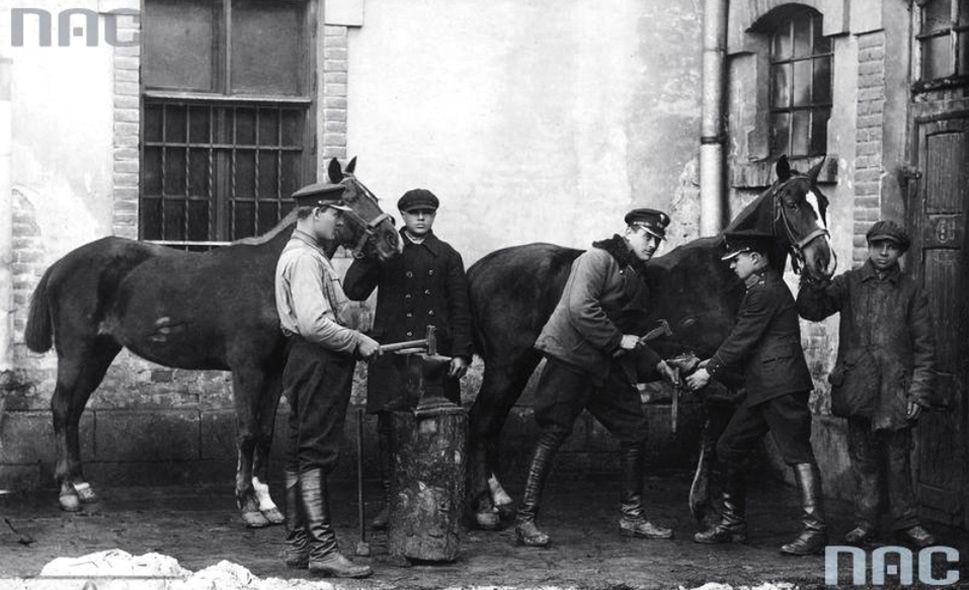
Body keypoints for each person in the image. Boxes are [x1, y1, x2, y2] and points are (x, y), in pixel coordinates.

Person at [514, 208, 679, 547]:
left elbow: (631, 330)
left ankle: (632, 516)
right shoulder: (597, 259)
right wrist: (618, 340)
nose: (652, 245)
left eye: (658, 240)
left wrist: (657, 362)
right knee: (553, 433)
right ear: (629, 233)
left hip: (603, 365)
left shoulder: (635, 273)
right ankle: (525, 520)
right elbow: (579, 308)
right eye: (647, 237)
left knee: (635, 429)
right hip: (571, 360)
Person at [686, 229, 826, 556]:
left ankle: (815, 530)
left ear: (755, 258)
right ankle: (733, 523)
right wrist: (709, 360)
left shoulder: (765, 290)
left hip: (780, 386)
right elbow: (744, 337)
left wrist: (709, 371)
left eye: (736, 260)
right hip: (763, 387)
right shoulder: (759, 289)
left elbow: (743, 338)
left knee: (797, 454)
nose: (732, 266)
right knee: (730, 446)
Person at [796, 220, 936, 548]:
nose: (883, 252)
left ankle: (907, 523)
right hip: (857, 387)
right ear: (870, 247)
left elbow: (925, 346)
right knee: (864, 460)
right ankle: (865, 524)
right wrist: (815, 278)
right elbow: (812, 311)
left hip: (895, 391)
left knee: (899, 460)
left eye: (891, 247)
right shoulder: (848, 283)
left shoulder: (911, 290)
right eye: (877, 245)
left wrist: (919, 390)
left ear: (900, 251)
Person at [343, 188, 473, 530]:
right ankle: (391, 501)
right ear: (402, 216)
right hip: (393, 352)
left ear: (433, 217)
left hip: (434, 355)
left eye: (426, 213)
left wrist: (461, 352)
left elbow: (461, 308)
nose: (420, 218)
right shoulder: (387, 250)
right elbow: (353, 290)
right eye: (413, 213)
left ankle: (439, 501)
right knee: (390, 427)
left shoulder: (447, 255)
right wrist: (369, 252)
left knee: (434, 428)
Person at [274, 181, 382, 578]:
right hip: (319, 359)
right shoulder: (305, 259)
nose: (340, 222)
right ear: (315, 213)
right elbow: (315, 324)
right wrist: (358, 341)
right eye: (336, 214)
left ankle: (298, 545)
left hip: (309, 361)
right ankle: (322, 550)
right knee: (316, 453)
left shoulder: (308, 254)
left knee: (300, 451)